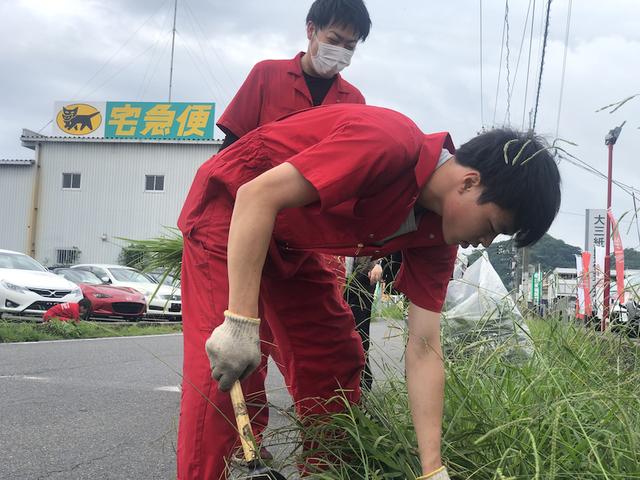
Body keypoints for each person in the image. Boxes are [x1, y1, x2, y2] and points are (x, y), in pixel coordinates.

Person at [177, 102, 562, 479]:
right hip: (230, 213)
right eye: (493, 225)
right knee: (224, 378)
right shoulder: (388, 143)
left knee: (333, 358)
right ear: (469, 182)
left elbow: (425, 347)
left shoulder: (436, 238)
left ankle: (323, 472)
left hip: (293, 241)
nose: (484, 241)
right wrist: (241, 324)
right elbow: (256, 196)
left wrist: (432, 469)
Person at [187, 0, 372, 469]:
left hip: (300, 239)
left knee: (333, 349)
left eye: (350, 47)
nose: (341, 53)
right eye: (334, 41)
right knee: (238, 352)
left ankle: (328, 464)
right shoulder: (267, 76)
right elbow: (230, 155)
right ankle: (238, 455)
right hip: (237, 224)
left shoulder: (355, 103)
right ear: (310, 30)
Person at [344, 255, 382, 390]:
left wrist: (376, 264)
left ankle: (362, 385)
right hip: (334, 278)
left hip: (361, 280)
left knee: (360, 334)